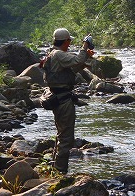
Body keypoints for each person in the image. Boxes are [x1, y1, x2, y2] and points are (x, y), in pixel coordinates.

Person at [43, 28, 94, 174]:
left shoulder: (53, 53)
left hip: (57, 98)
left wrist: (85, 59)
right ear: (65, 41)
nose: (70, 43)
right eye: (69, 41)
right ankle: (60, 172)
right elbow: (77, 59)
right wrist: (85, 44)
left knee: (61, 134)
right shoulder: (59, 54)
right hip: (63, 101)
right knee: (66, 139)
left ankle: (54, 167)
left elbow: (70, 70)